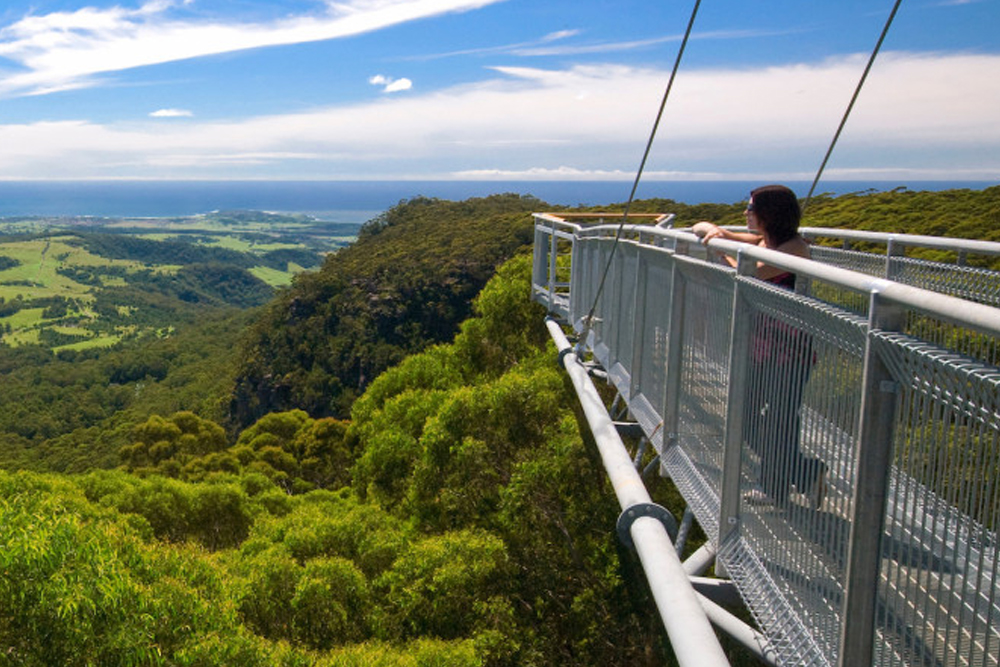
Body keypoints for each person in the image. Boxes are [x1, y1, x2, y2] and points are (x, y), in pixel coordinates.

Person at [695, 184, 826, 509]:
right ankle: (806, 471)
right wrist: (711, 232)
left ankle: (774, 488)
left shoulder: (794, 248)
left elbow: (749, 274)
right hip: (760, 347)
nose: (746, 214)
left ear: (770, 213)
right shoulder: (766, 242)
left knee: (781, 418)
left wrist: (718, 250)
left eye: (751, 208)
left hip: (790, 351)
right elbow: (708, 228)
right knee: (748, 418)